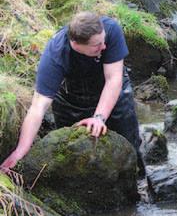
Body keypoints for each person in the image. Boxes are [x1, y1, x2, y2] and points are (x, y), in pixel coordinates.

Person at [1, 11, 142, 172]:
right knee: (71, 154)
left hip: (113, 91)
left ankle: (140, 182)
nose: (103, 46)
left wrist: (99, 117)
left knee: (129, 145)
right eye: (96, 45)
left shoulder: (110, 29)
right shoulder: (55, 55)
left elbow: (113, 79)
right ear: (76, 44)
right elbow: (37, 107)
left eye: (103, 41)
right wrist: (20, 151)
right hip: (72, 100)